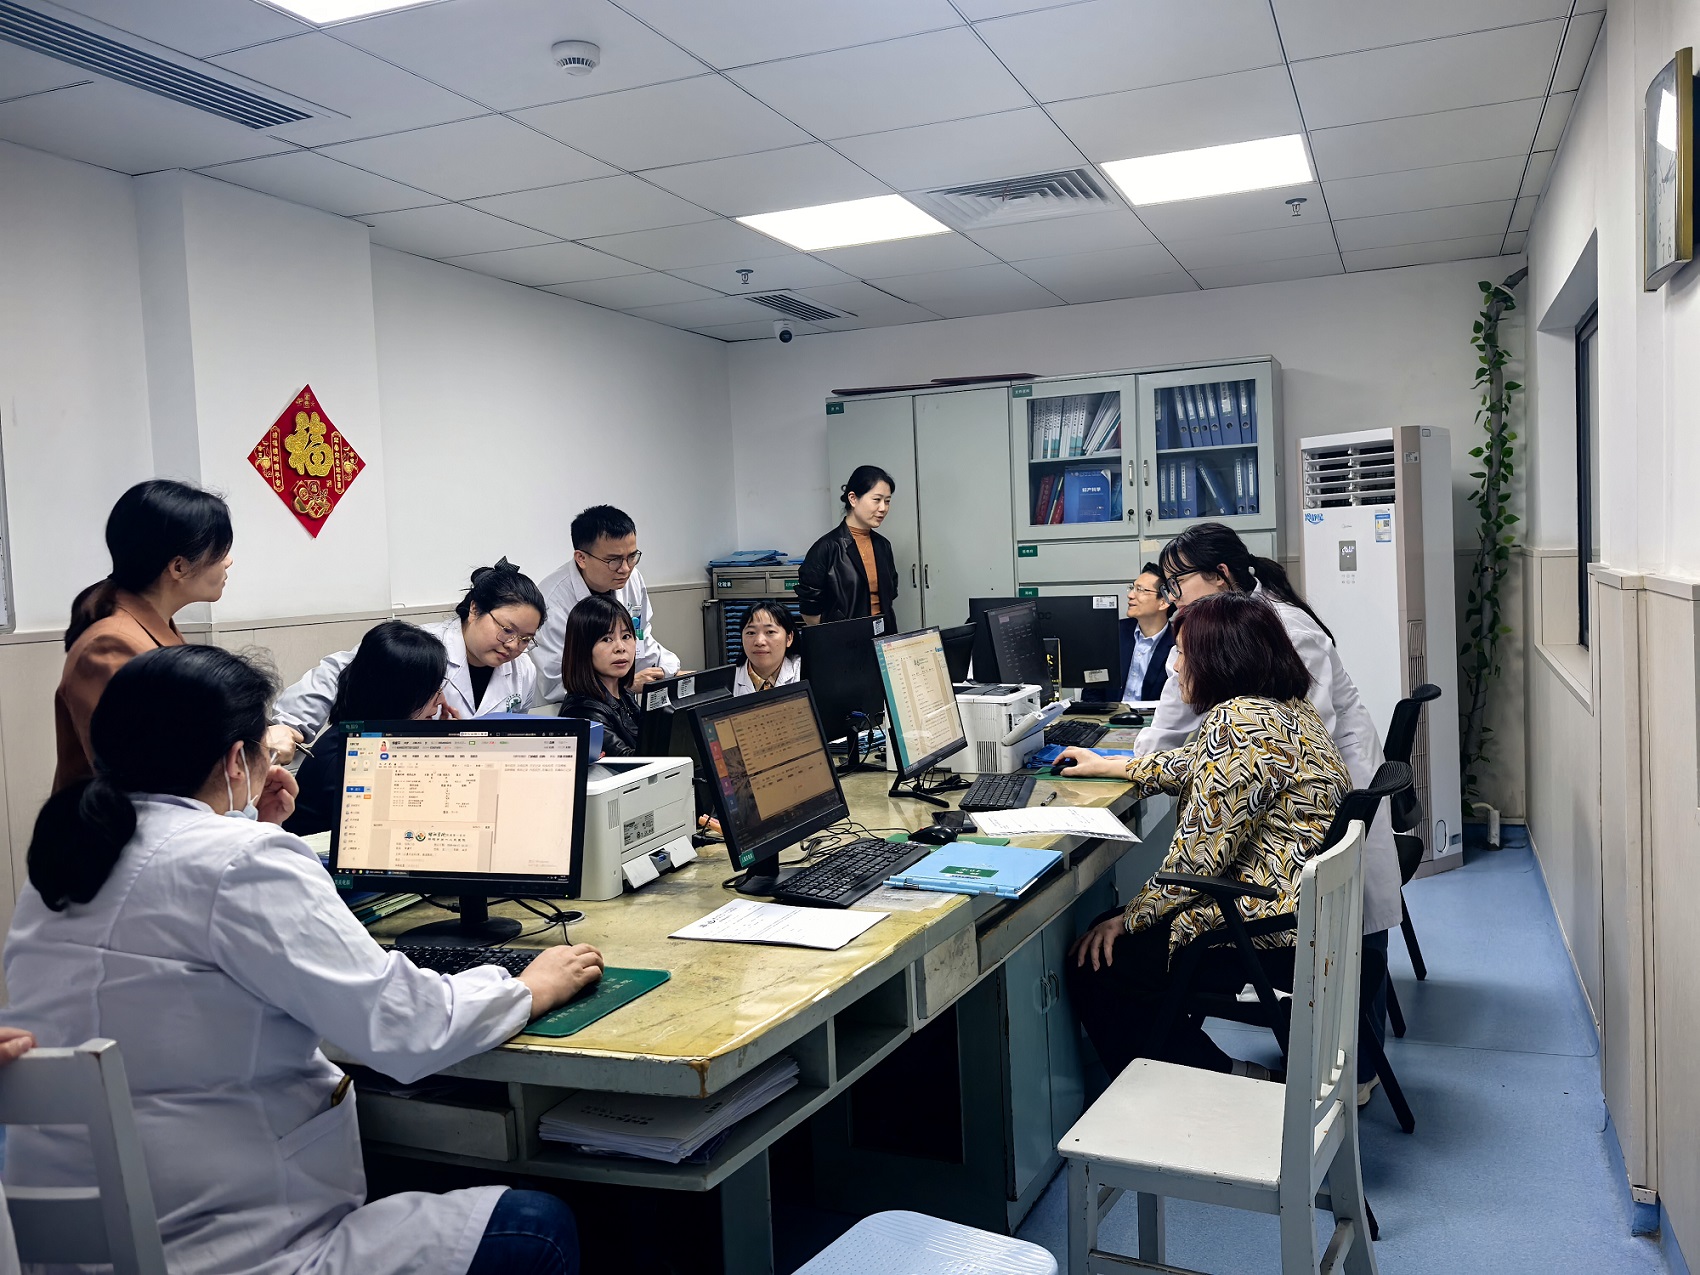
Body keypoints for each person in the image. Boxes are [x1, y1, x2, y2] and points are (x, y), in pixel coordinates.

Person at [5, 645, 601, 1275]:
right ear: (236, 761)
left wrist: (248, 821)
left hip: (78, 1247)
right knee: (534, 1228)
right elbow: (406, 1027)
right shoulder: (241, 861)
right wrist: (529, 987)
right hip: (231, 1247)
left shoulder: (71, 856)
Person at [1136, 521, 1402, 1093]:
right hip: (1307, 812)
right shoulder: (1228, 626)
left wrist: (1215, 753)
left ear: (1221, 575)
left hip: (1309, 822)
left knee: (1350, 935)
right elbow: (1188, 719)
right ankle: (1347, 1063)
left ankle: (1353, 1069)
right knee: (1346, 934)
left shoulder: (1280, 628)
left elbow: (1273, 742)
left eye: (1178, 582)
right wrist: (1144, 762)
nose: (1172, 596)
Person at [1056, 592, 1352, 1078]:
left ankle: (1214, 1080)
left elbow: (1195, 864)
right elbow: (1201, 764)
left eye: (1182, 653)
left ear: (1220, 658)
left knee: (1097, 962)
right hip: (1301, 908)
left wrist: (1129, 919)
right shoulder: (1287, 709)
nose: (1174, 666)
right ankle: (1196, 1065)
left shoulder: (1239, 723)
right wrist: (1113, 765)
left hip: (1264, 924)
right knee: (1113, 934)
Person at [54, 479, 233, 792]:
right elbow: (142, 770)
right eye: (220, 552)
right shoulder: (109, 646)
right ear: (178, 567)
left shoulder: (152, 629)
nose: (228, 561)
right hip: (120, 821)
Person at [272, 559, 544, 760]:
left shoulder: (524, 670)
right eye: (507, 630)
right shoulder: (421, 647)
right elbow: (341, 672)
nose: (513, 645)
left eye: (525, 639)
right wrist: (290, 726)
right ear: (474, 609)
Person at [285, 622, 450, 838]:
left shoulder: (365, 737)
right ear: (400, 695)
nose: (441, 700)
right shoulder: (347, 763)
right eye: (433, 690)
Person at [533, 506, 680, 704]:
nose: (625, 568)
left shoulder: (632, 579)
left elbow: (641, 639)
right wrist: (625, 685)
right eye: (614, 560)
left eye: (632, 557)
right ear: (581, 558)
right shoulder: (551, 600)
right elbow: (555, 683)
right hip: (574, 707)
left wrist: (667, 669)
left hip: (621, 700)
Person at [797, 465, 898, 625]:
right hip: (845, 637)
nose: (883, 508)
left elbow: (890, 593)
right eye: (877, 500)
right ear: (853, 499)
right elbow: (810, 609)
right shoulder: (826, 548)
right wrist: (837, 635)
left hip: (884, 634)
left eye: (887, 501)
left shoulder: (883, 545)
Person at [555, 595, 641, 756]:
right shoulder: (583, 711)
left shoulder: (625, 695)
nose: (620, 647)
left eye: (626, 636)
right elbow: (630, 763)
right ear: (582, 649)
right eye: (607, 639)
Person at [1081, 563, 1174, 705]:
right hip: (1111, 716)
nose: (1130, 595)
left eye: (1140, 590)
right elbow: (1092, 691)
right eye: (1132, 588)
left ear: (1164, 602)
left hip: (1155, 718)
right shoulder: (1112, 633)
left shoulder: (1179, 643)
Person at [733, 599, 801, 696]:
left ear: (789, 638)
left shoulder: (806, 673)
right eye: (751, 633)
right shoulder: (728, 680)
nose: (759, 642)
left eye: (770, 632)